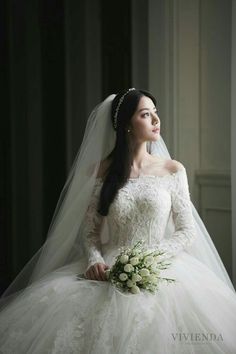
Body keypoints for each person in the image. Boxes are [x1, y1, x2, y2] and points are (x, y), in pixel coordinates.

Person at [0, 88, 236, 353]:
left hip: (162, 265)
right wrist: (94, 260)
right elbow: (90, 232)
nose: (156, 121)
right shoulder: (100, 172)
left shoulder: (172, 170)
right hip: (108, 269)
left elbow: (186, 231)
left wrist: (149, 259)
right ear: (126, 124)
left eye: (155, 113)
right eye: (146, 115)